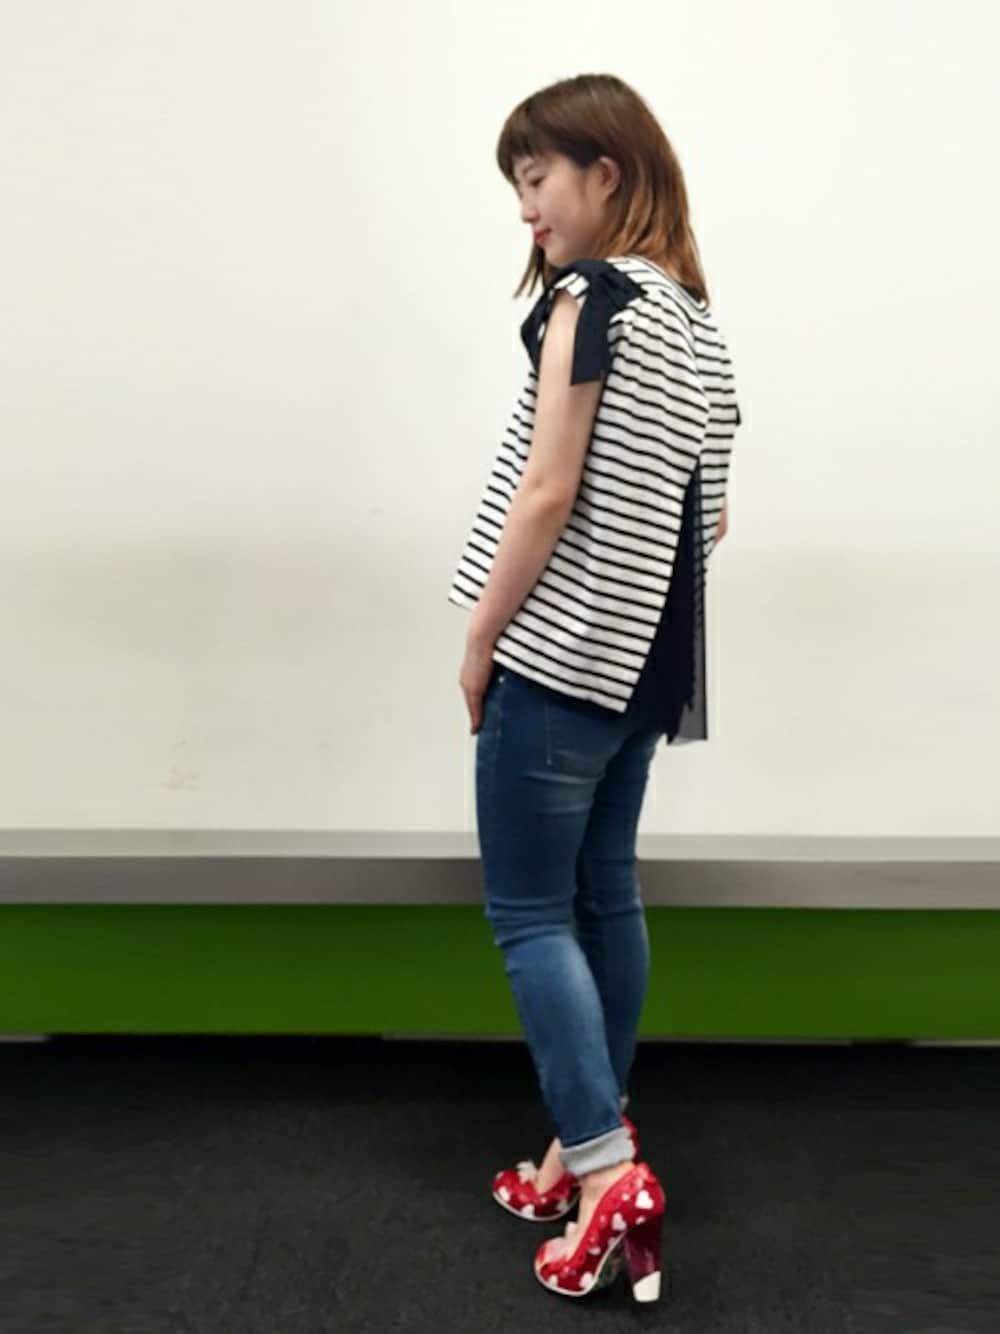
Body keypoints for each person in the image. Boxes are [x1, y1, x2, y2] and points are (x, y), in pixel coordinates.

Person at [447, 73, 742, 1302]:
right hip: (645, 673)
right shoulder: (697, 321)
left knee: (529, 914)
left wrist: (482, 637)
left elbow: (547, 489)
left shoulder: (587, 297)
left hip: (558, 660)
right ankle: (582, 1146)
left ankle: (608, 1168)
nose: (526, 210)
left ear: (603, 174)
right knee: (603, 895)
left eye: (536, 181)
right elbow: (708, 518)